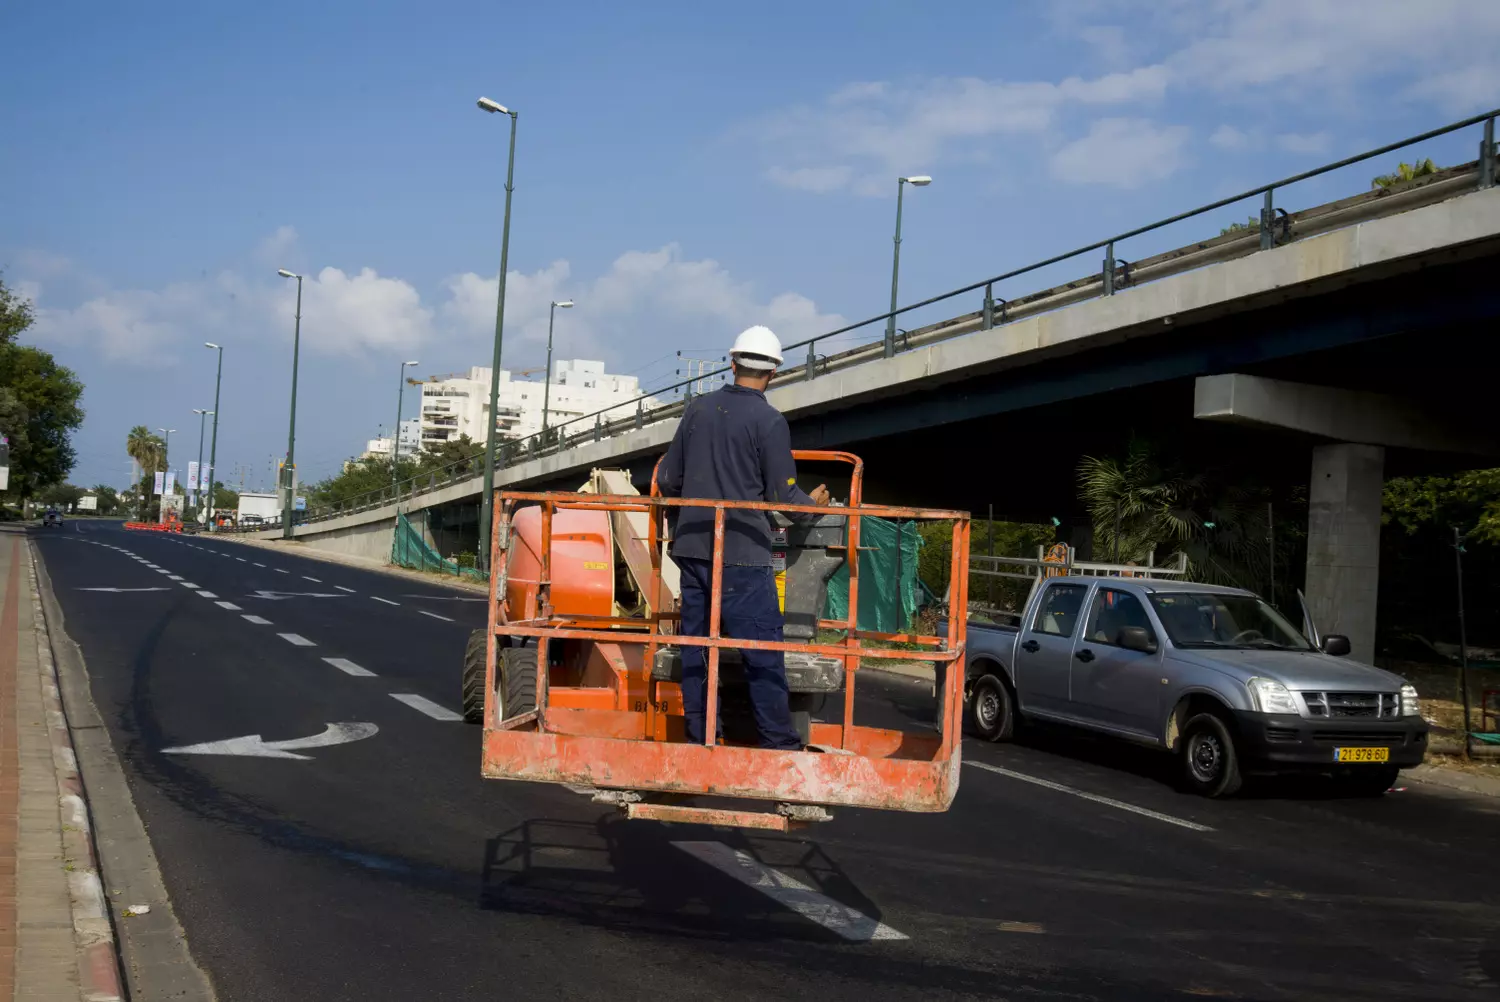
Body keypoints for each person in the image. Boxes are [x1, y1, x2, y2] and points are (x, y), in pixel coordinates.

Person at [658, 325, 831, 749]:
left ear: (732, 364)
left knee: (698, 651)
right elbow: (783, 497)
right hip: (743, 556)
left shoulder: (697, 410)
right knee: (761, 652)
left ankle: (702, 739)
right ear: (774, 373)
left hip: (695, 549)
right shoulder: (770, 421)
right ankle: (779, 744)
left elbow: (668, 479)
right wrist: (817, 503)